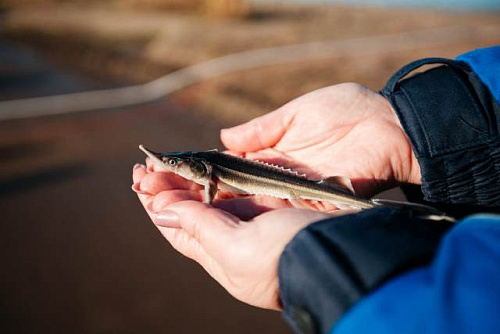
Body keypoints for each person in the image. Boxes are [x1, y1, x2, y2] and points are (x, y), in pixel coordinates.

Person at [132, 45, 500, 334]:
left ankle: (408, 215)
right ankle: (425, 217)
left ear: (200, 168)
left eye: (178, 164)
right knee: (370, 207)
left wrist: (314, 261)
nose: (172, 166)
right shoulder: (207, 168)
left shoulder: (208, 175)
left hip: (315, 207)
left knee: (359, 204)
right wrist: (399, 126)